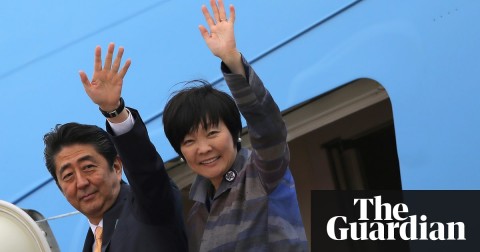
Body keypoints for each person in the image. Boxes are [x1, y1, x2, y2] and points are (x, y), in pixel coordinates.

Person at [162, 0, 308, 251]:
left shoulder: (262, 173)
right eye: (189, 141)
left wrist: (231, 59)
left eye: (212, 133)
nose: (204, 148)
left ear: (234, 134)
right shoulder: (197, 208)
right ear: (180, 152)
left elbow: (268, 127)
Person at [43, 43, 188, 251]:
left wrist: (114, 111)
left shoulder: (148, 207)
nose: (81, 182)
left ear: (117, 167)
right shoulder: (91, 243)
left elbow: (146, 172)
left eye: (88, 167)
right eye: (68, 175)